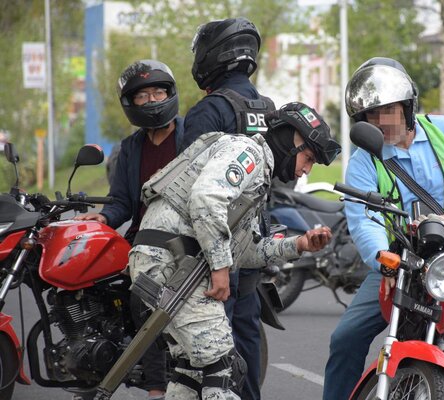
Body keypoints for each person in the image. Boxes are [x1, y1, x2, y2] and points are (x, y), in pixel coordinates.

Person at [323, 57, 444, 400]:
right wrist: (382, 259)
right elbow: (363, 217)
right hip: (400, 259)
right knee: (345, 337)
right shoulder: (364, 160)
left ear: (408, 107)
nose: (382, 121)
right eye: (372, 115)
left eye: (389, 110)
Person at [129, 101, 341, 400]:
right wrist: (220, 268)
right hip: (170, 262)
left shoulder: (258, 177)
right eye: (308, 158)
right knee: (224, 368)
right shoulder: (247, 152)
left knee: (194, 371)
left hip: (169, 265)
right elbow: (206, 198)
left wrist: (299, 245)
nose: (306, 170)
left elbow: (245, 252)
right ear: (289, 142)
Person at [74, 59, 184, 400]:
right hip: (142, 237)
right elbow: (121, 200)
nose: (152, 100)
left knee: (143, 296)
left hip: (183, 239)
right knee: (95, 285)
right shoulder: (131, 148)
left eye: (158, 92)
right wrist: (104, 218)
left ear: (169, 93)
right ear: (131, 103)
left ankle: (156, 387)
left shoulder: (191, 136)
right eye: (142, 96)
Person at [184, 17, 276, 400]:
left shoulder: (209, 111)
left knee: (210, 352)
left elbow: (188, 187)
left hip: (215, 250)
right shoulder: (267, 108)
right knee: (247, 336)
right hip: (254, 241)